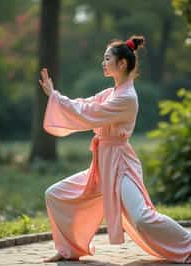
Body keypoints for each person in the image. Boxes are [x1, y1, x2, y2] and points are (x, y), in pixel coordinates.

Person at [39, 35, 191, 263]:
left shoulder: (127, 98)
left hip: (120, 166)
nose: (103, 62)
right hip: (102, 164)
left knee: (142, 218)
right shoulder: (111, 93)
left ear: (121, 64)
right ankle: (70, 249)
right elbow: (86, 104)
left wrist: (55, 97)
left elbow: (88, 114)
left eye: (107, 58)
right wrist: (58, 98)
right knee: (55, 194)